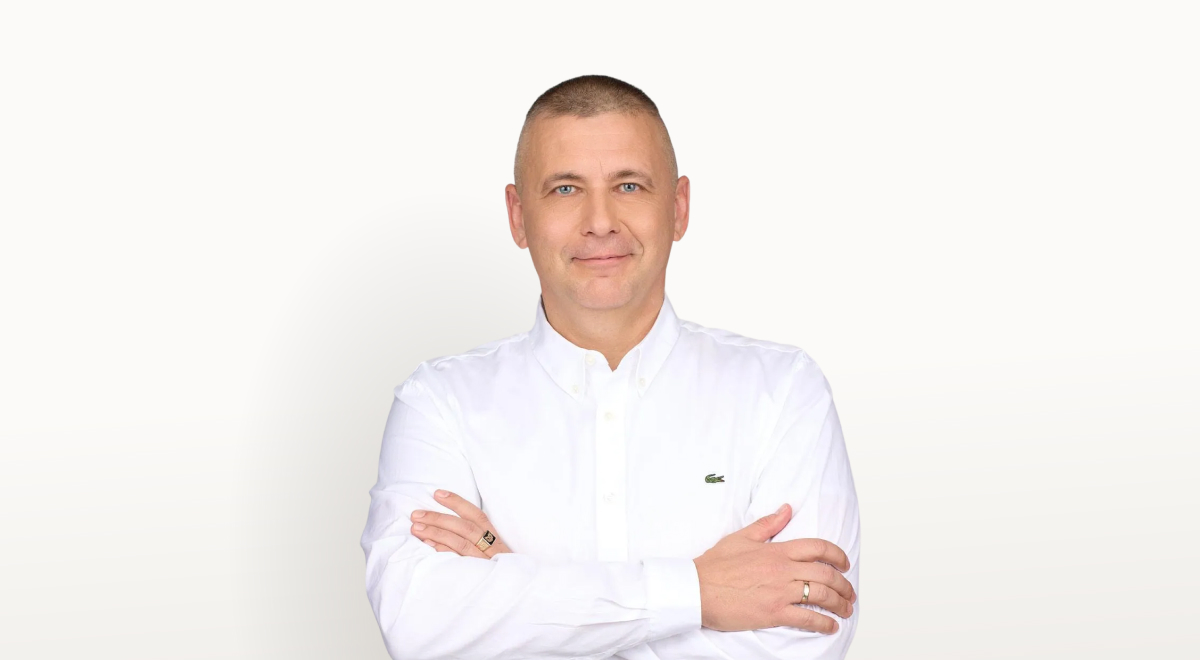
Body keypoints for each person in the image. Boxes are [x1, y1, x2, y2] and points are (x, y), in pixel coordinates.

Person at [360, 74, 861, 660]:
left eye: (628, 185)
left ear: (678, 208)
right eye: (565, 189)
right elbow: (421, 625)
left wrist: (518, 590)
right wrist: (698, 594)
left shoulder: (784, 392)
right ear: (518, 216)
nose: (600, 221)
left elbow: (803, 641)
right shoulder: (439, 403)